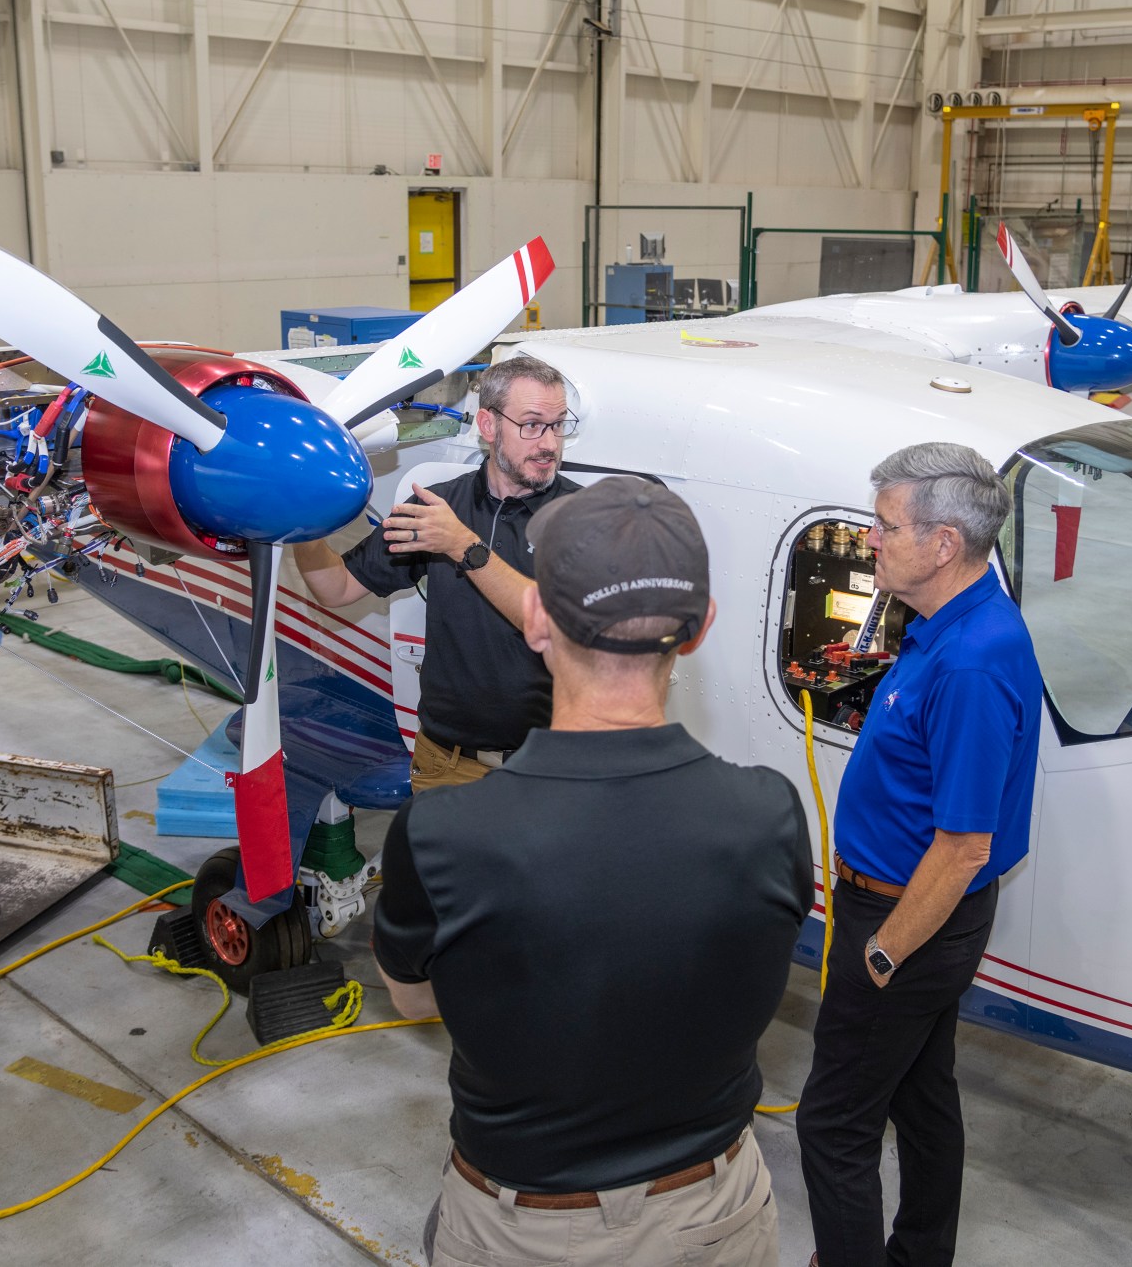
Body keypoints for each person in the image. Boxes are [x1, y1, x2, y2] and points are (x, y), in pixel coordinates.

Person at [370, 476, 812, 1267]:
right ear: (701, 627)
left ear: (536, 617)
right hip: (716, 1216)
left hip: (526, 1227)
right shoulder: (770, 813)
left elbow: (413, 994)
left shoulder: (443, 834)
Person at [796, 442, 1043, 1267]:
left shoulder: (971, 661)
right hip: (920, 914)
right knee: (922, 1093)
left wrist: (882, 950)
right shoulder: (953, 621)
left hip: (908, 917)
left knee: (834, 1122)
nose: (871, 538)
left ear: (943, 544)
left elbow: (965, 844)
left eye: (885, 524)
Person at [291, 354, 581, 792]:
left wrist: (461, 545)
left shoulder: (585, 518)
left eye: (558, 424)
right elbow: (337, 587)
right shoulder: (436, 510)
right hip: (447, 766)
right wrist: (298, 523)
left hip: (552, 771)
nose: (549, 443)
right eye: (532, 424)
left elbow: (553, 624)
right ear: (488, 426)